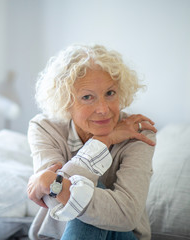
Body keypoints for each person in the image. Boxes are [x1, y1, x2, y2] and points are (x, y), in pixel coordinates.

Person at [27, 44, 157, 240]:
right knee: (83, 192)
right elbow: (53, 202)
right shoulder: (44, 127)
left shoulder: (138, 132)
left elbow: (126, 215)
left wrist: (53, 182)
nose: (103, 109)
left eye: (110, 93)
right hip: (59, 234)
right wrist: (104, 140)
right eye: (87, 97)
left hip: (123, 235)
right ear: (66, 101)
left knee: (83, 191)